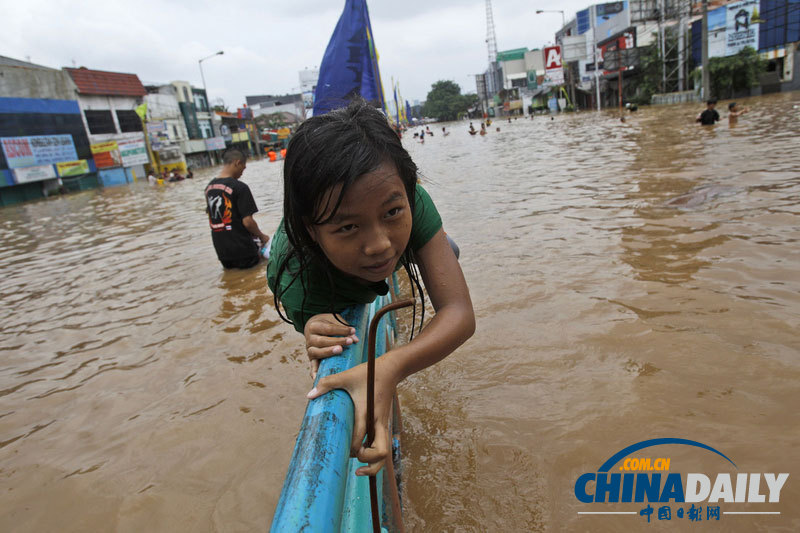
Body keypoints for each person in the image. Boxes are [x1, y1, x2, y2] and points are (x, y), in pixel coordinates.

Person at [267, 100, 475, 478]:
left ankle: (418, 256)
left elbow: (459, 313)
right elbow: (328, 362)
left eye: (392, 213)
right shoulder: (295, 275)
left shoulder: (410, 200)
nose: (379, 243)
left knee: (449, 251)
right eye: (347, 226)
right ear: (311, 230)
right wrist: (312, 327)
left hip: (401, 251)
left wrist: (391, 366)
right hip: (327, 276)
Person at [204, 149, 270, 269]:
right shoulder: (240, 187)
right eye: (243, 168)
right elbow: (248, 222)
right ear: (237, 163)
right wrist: (262, 236)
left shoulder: (209, 188)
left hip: (222, 251)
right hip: (243, 248)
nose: (242, 173)